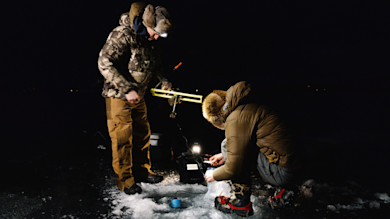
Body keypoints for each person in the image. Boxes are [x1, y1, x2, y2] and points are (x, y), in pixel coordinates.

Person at [97, 2, 174, 195]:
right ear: (145, 24)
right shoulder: (123, 34)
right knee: (123, 138)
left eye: (160, 34)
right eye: (154, 32)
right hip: (118, 95)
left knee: (142, 134)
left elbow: (155, 66)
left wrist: (165, 83)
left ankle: (142, 171)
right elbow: (104, 62)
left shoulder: (150, 40)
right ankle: (126, 180)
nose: (156, 37)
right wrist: (126, 88)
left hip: (139, 96)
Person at [202, 81, 302, 216]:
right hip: (294, 163)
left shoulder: (235, 118)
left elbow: (233, 168)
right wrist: (223, 155)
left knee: (227, 144)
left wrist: (214, 175)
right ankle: (288, 187)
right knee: (232, 148)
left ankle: (240, 203)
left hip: (284, 172)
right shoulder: (247, 107)